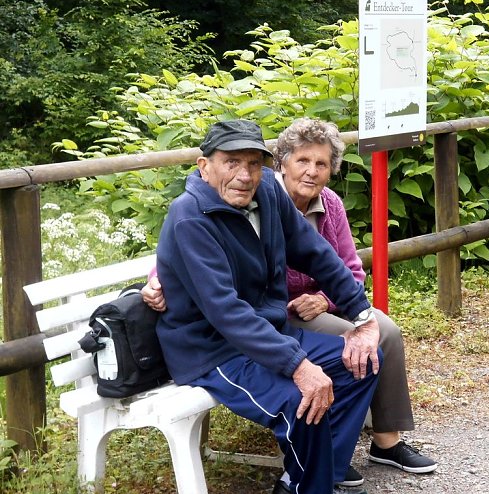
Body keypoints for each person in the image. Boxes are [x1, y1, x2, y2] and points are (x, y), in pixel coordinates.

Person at [144, 118, 438, 487]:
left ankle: (314, 478)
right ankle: (311, 480)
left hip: (267, 332)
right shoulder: (190, 218)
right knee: (299, 403)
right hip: (214, 350)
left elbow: (315, 252)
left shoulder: (266, 191)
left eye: (253, 163)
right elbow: (226, 312)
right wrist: (298, 365)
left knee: (364, 360)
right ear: (205, 166)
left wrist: (362, 317)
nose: (244, 175)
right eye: (231, 162)